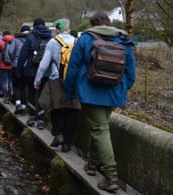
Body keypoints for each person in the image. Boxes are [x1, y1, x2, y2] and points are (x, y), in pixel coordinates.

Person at [64, 12, 135, 193]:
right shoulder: (123, 40)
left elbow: (73, 66)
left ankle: (111, 176)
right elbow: (131, 72)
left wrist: (69, 90)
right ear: (109, 23)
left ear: (92, 24)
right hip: (113, 92)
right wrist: (124, 87)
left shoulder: (86, 39)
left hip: (89, 91)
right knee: (100, 127)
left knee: (99, 129)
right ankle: (92, 164)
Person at [34, 18, 81, 152]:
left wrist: (37, 81)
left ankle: (58, 134)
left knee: (57, 108)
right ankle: (67, 142)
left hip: (56, 79)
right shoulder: (77, 42)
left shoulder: (53, 42)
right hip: (74, 81)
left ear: (57, 29)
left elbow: (43, 65)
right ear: (69, 28)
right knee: (72, 110)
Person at [16, 18, 51, 128]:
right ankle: (41, 120)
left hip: (31, 70)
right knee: (41, 94)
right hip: (45, 72)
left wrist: (19, 69)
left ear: (34, 26)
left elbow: (23, 55)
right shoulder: (51, 38)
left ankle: (31, 117)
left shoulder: (31, 37)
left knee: (31, 93)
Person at [8, 25, 31, 113]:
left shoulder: (15, 40)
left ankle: (18, 104)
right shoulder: (30, 40)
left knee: (16, 85)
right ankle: (24, 106)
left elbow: (10, 51)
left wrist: (13, 59)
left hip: (16, 65)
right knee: (24, 86)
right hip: (26, 65)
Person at [0, 30, 14, 103]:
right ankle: (12, 96)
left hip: (3, 66)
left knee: (4, 82)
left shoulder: (0, 42)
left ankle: (6, 98)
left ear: (3, 35)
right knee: (11, 81)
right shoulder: (14, 41)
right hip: (12, 65)